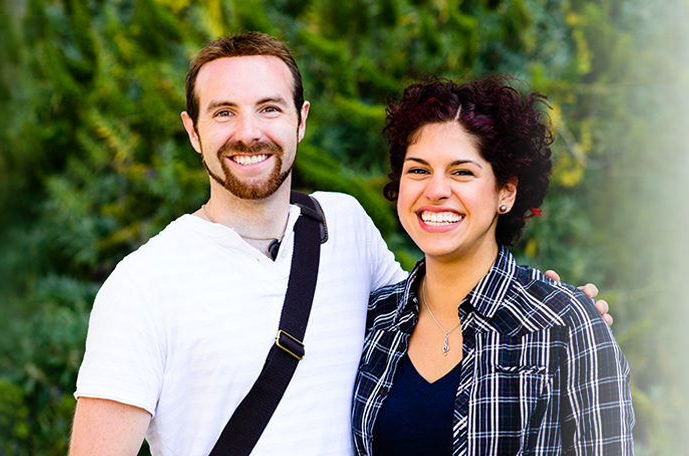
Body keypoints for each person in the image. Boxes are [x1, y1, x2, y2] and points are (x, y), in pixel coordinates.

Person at [69, 32, 609, 456]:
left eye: (269, 108)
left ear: (300, 122)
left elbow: (436, 306)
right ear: (193, 131)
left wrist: (551, 313)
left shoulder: (343, 225)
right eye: (224, 111)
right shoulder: (142, 285)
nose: (248, 131)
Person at [351, 77, 633, 455]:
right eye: (418, 170)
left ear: (506, 191)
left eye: (462, 172)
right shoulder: (372, 320)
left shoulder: (563, 322)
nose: (435, 190)